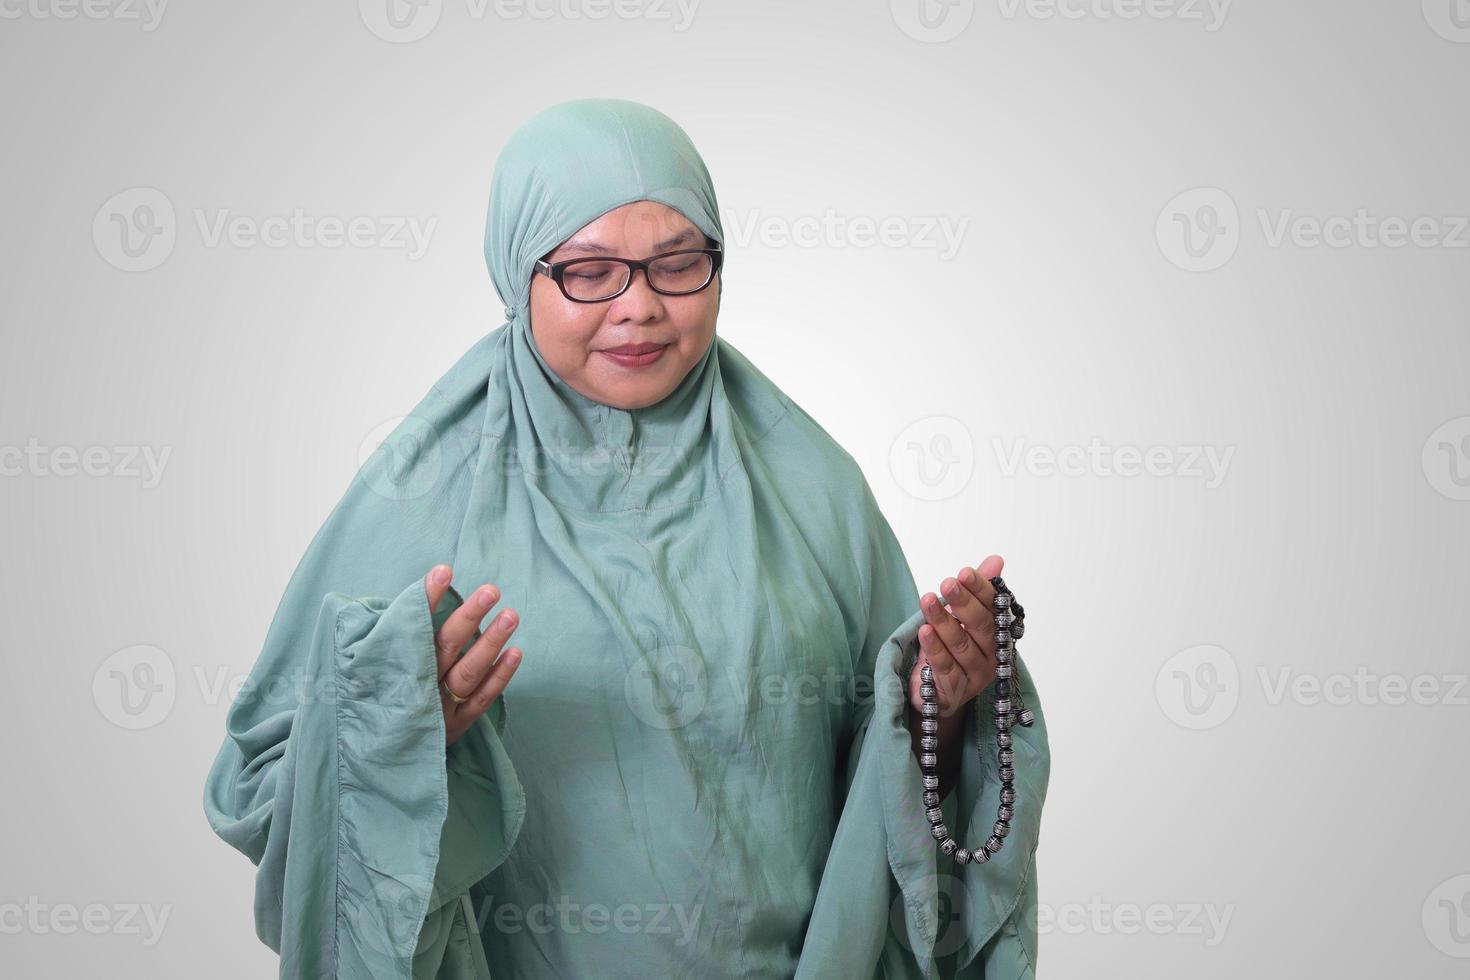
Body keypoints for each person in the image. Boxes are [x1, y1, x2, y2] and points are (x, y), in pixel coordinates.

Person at [203, 97, 1049, 980]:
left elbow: (886, 783)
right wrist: (399, 739)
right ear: (516, 273)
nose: (638, 307)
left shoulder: (810, 486)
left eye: (678, 265)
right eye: (590, 272)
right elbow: (262, 786)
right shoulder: (421, 488)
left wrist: (940, 707)